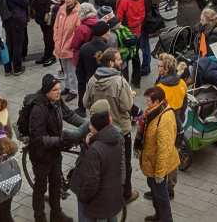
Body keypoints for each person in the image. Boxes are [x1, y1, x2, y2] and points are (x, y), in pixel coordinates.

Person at [83, 48, 138, 203]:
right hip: (120, 130)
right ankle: (126, 194)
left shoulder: (93, 80)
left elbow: (85, 103)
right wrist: (130, 95)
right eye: (119, 59)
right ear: (111, 63)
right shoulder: (119, 81)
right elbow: (127, 106)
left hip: (99, 131)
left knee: (103, 165)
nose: (121, 62)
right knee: (123, 164)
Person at [26, 74, 80, 222]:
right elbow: (38, 138)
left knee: (56, 184)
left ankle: (56, 214)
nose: (58, 92)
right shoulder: (39, 109)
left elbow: (68, 115)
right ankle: (40, 217)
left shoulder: (56, 101)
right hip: (41, 155)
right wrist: (60, 140)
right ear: (47, 91)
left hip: (54, 151)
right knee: (41, 187)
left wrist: (87, 126)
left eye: (59, 89)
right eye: (55, 90)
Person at [72, 100, 128, 222]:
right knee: (111, 215)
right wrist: (121, 185)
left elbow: (92, 179)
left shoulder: (96, 148)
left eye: (91, 124)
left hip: (97, 195)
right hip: (112, 190)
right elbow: (119, 163)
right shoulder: (116, 136)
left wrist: (82, 195)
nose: (89, 126)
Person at [139, 85, 179, 222]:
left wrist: (160, 173)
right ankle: (158, 216)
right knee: (155, 193)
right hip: (151, 162)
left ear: (157, 102)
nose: (146, 104)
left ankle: (166, 219)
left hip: (159, 166)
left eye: (148, 101)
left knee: (161, 196)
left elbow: (164, 149)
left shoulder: (165, 118)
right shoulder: (153, 111)